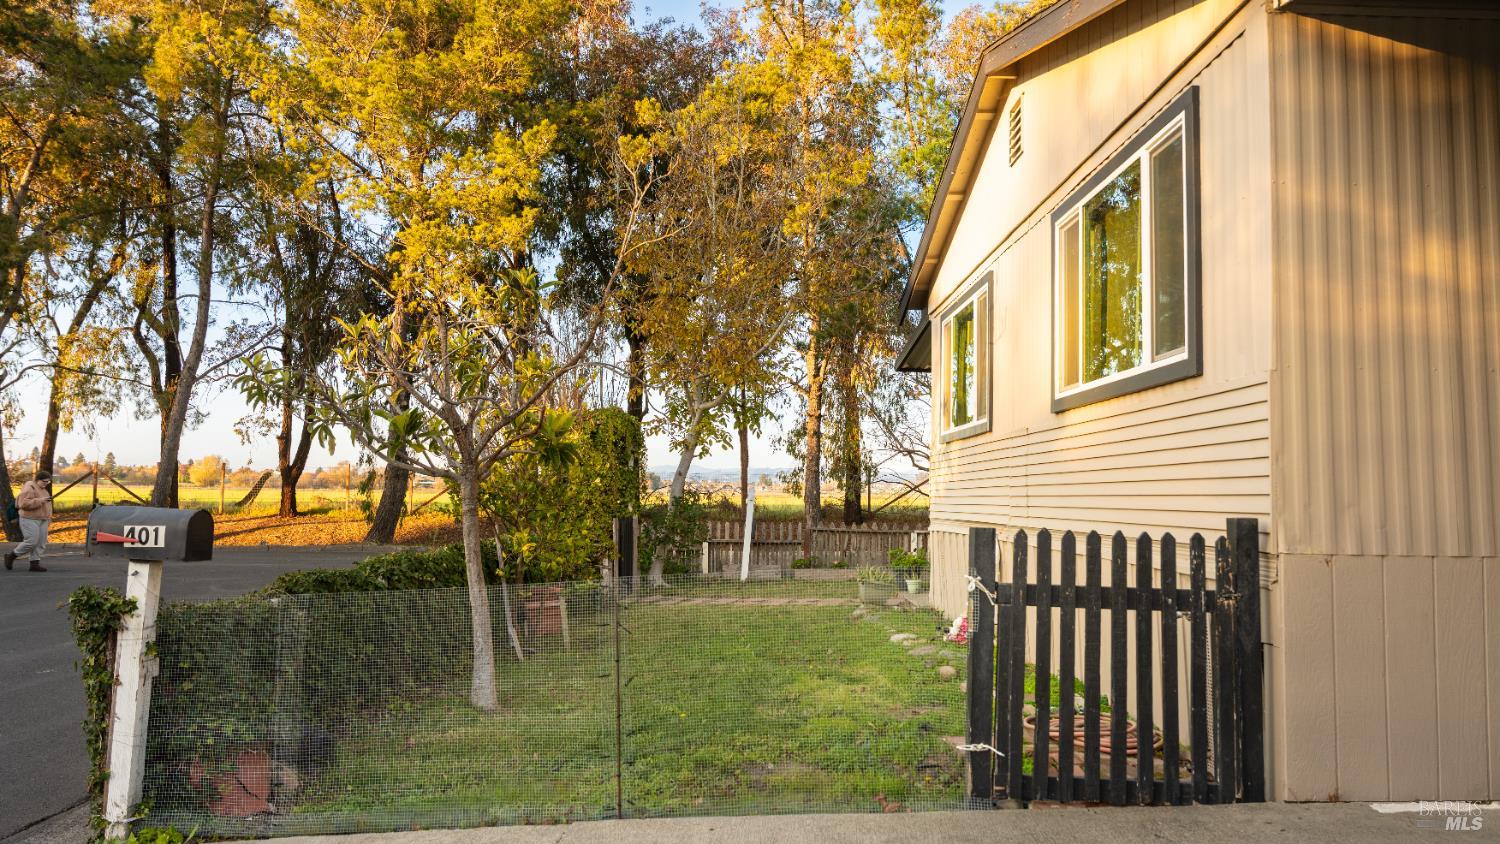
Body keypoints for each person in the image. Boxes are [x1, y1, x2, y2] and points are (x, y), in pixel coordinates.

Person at [5, 471, 52, 572]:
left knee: (40, 542)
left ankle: (34, 564)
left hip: (43, 519)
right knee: (31, 541)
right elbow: (23, 504)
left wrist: (48, 517)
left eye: (48, 482)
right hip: (29, 519)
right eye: (44, 481)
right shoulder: (29, 487)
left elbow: (46, 504)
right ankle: (11, 556)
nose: (46, 483)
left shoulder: (43, 489)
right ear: (38, 480)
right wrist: (41, 500)